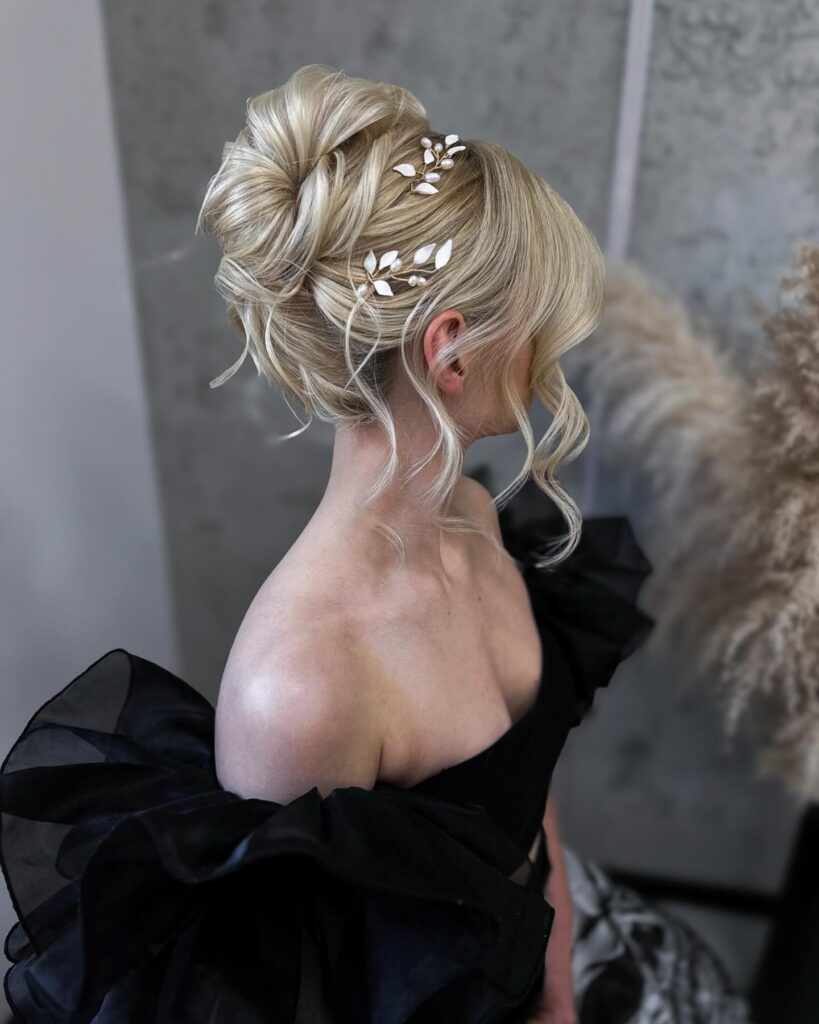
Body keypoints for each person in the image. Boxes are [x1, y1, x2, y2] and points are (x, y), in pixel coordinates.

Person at [0, 64, 742, 1024]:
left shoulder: (474, 521)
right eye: (536, 321)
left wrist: (557, 983)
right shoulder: (299, 691)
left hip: (557, 946)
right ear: (450, 349)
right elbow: (307, 1000)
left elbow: (527, 798)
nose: (552, 353)